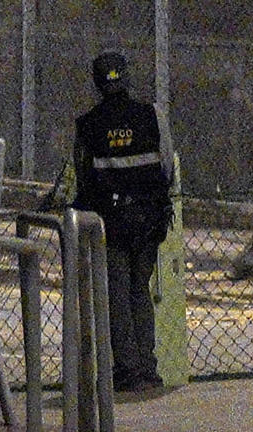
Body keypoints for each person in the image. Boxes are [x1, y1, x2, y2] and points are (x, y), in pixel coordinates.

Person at [72, 51, 174, 390]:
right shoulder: (151, 115)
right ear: (126, 77)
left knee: (116, 294)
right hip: (148, 218)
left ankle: (127, 371)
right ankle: (148, 369)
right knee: (140, 291)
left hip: (111, 223)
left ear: (97, 82)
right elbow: (167, 170)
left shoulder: (88, 124)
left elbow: (83, 180)